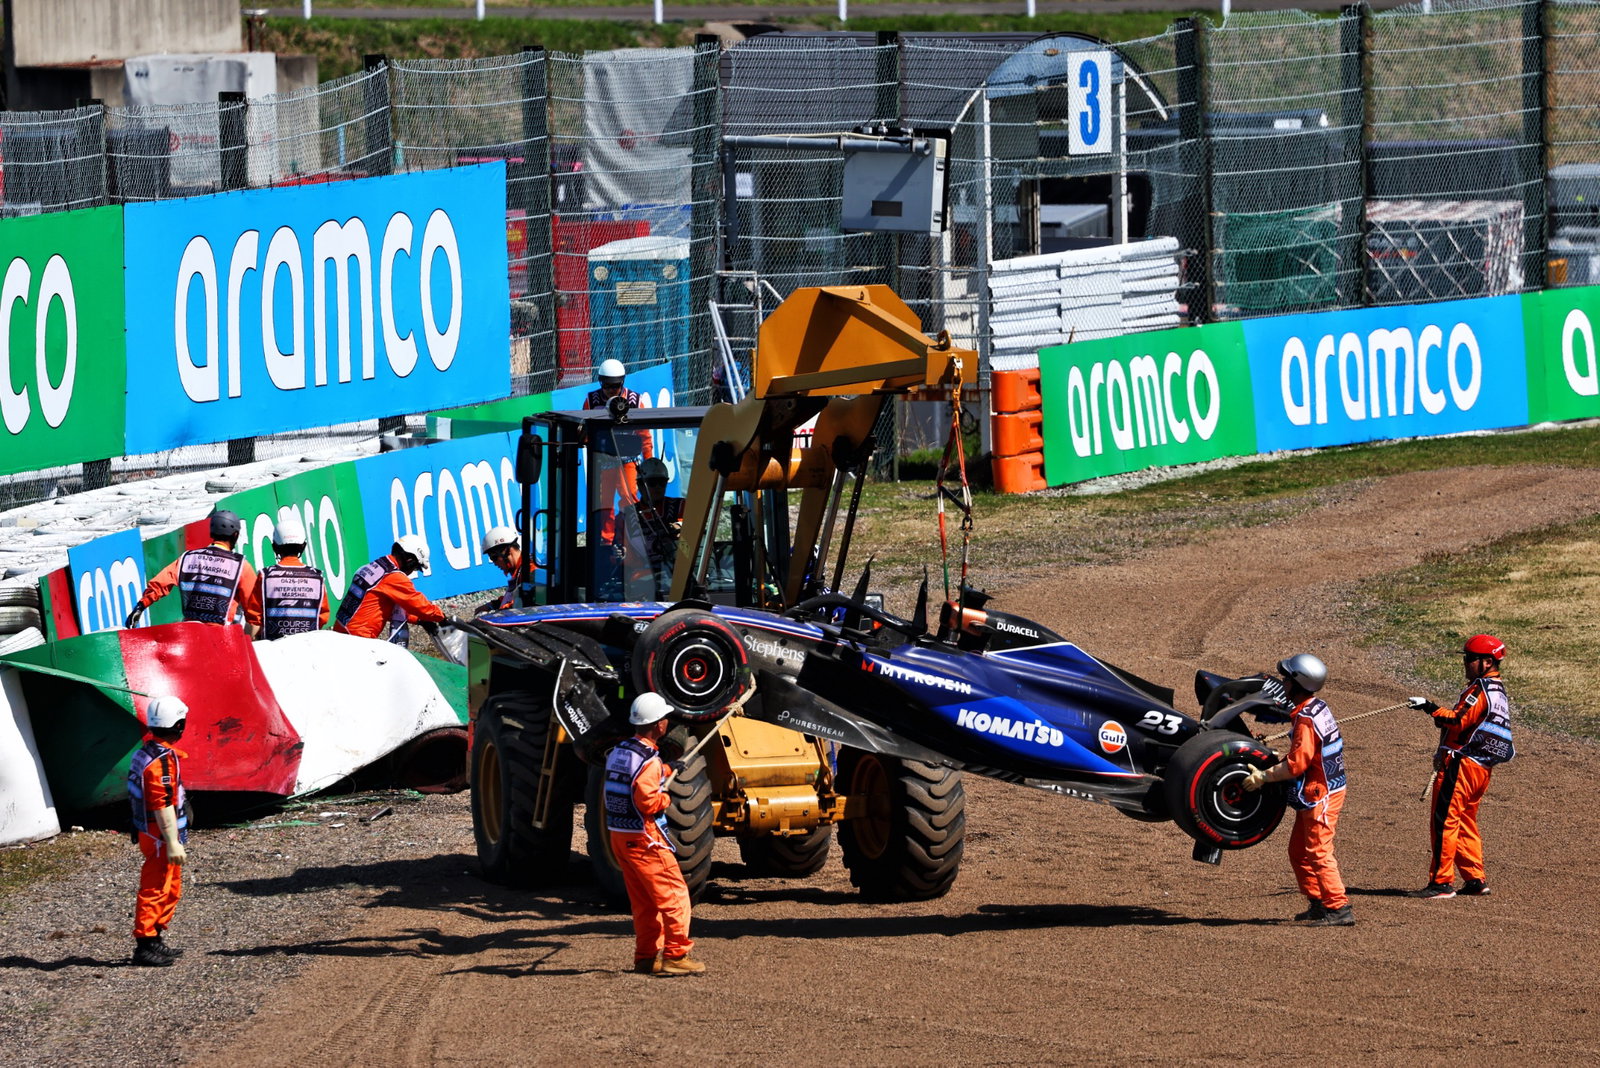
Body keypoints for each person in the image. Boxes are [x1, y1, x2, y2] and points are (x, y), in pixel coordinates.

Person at [1243, 653, 1352, 926]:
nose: (1283, 682)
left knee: (1318, 851)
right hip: (1322, 788)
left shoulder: (1305, 718)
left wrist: (1263, 777)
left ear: (1299, 683)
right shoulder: (1315, 707)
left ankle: (1339, 909)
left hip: (1322, 793)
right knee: (1298, 851)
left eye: (1287, 678)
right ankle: (1318, 903)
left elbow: (1296, 765)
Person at [1406, 634, 1515, 899]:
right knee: (1465, 821)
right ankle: (1475, 879)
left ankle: (1441, 883)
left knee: (1445, 822)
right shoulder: (1497, 690)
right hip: (1480, 768)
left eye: (1470, 659)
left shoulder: (1480, 689)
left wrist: (1429, 707)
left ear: (1487, 662)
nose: (1465, 663)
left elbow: (1457, 721)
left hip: (1461, 766)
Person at [605, 692, 705, 977]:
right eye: (664, 719)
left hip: (620, 837)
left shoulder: (620, 751)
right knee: (674, 896)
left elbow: (637, 775)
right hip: (645, 838)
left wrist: (669, 769)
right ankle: (676, 955)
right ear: (659, 725)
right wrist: (666, 799)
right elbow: (647, 800)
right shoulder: (648, 760)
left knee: (644, 903)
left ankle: (646, 957)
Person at [127, 695, 191, 967]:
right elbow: (162, 803)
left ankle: (155, 939)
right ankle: (145, 945)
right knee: (156, 887)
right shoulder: (161, 761)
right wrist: (172, 841)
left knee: (170, 886)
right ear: (178, 724)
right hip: (160, 836)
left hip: (152, 832)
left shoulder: (144, 752)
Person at [125, 508, 260, 633]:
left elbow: (160, 584)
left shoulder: (187, 558)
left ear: (211, 532)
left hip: (190, 635)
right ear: (235, 535)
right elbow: (255, 611)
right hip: (221, 636)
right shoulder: (241, 566)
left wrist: (141, 606)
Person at [583, 358, 654, 548]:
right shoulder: (592, 401)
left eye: (615, 386)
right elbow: (584, 432)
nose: (611, 390)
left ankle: (629, 538)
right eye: (607, 385)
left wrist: (649, 463)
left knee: (630, 497)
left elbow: (644, 435)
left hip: (628, 460)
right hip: (603, 460)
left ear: (622, 382)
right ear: (600, 382)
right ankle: (606, 542)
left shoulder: (634, 401)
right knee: (603, 502)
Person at [331, 534, 447, 644]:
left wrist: (419, 620)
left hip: (340, 631)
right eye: (416, 568)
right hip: (358, 639)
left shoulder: (373, 567)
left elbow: (387, 608)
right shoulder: (393, 576)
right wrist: (441, 618)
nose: (412, 572)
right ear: (409, 560)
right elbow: (417, 603)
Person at [248, 514, 329, 641]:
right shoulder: (317, 577)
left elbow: (255, 619)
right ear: (303, 546)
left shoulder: (265, 576)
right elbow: (322, 616)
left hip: (273, 648)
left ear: (274, 546)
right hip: (309, 646)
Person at [619, 457, 684, 598]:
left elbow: (692, 540)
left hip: (679, 577)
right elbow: (623, 554)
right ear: (640, 485)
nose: (658, 487)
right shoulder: (626, 515)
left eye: (662, 482)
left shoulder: (680, 506)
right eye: (652, 483)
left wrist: (679, 529)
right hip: (643, 581)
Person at [476, 525, 525, 614]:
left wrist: (497, 613)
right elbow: (513, 597)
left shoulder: (529, 572)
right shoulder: (518, 571)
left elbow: (522, 603)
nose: (494, 563)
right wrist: (492, 605)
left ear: (508, 551)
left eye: (494, 558)